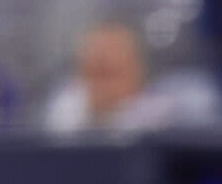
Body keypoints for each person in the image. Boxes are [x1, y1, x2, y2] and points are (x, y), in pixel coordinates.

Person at [40, 20, 221, 133]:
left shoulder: (165, 120)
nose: (103, 58)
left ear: (138, 68)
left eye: (113, 50)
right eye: (94, 52)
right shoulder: (61, 115)